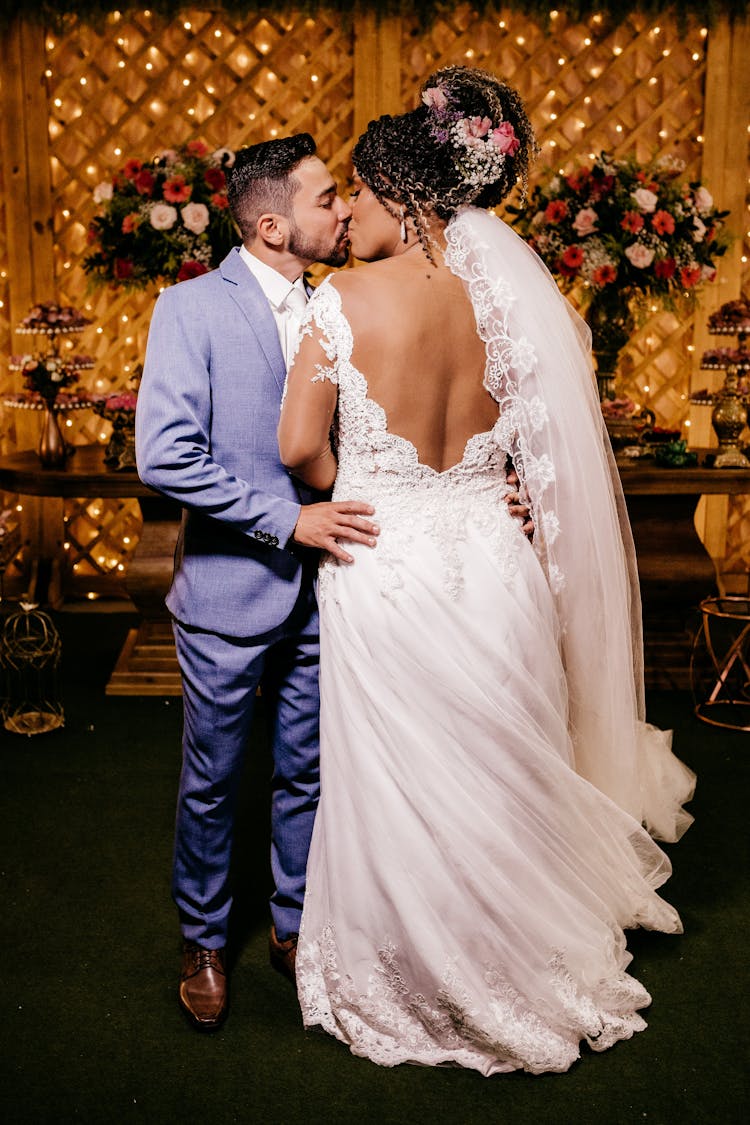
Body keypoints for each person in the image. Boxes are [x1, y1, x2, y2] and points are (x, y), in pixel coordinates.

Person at [277, 66, 696, 1075]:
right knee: (502, 768)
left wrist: (355, 481)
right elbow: (544, 449)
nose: (349, 221)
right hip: (493, 562)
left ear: (406, 200)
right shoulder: (506, 301)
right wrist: (491, 490)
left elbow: (298, 450)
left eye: (363, 201)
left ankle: (415, 967)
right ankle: (523, 950)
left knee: (397, 778)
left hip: (387, 562)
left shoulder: (340, 298)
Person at [135, 134, 380, 1032]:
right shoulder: (188, 309)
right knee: (213, 775)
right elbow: (164, 455)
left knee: (309, 770)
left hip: (332, 590)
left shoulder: (346, 302)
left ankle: (293, 924)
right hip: (230, 592)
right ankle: (204, 936)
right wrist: (287, 518)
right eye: (326, 199)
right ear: (273, 224)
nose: (344, 209)